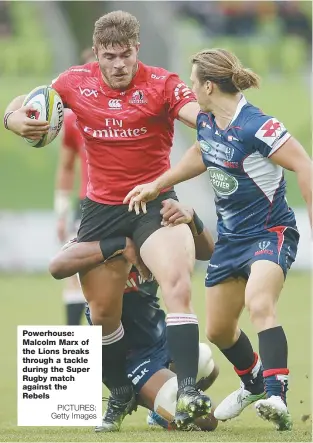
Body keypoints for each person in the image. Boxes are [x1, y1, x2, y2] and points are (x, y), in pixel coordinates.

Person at [3, 10, 209, 430]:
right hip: (101, 209)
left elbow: (197, 117)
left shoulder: (163, 84)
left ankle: (187, 390)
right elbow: (21, 103)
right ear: (96, 52)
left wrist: (208, 123)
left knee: (177, 281)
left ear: (138, 49)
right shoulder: (74, 82)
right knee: (100, 314)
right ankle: (118, 394)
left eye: (126, 55)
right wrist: (12, 119)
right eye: (110, 56)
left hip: (152, 202)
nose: (119, 64)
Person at [124, 48, 312, 431]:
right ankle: (255, 384)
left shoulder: (257, 125)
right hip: (230, 240)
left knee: (259, 302)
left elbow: (304, 164)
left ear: (208, 85)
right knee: (219, 330)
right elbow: (201, 153)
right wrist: (156, 184)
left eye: (193, 81)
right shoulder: (207, 122)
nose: (190, 88)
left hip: (269, 232)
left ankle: (276, 394)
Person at [49, 199, 218, 432]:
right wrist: (119, 244)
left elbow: (208, 251)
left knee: (206, 361)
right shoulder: (96, 237)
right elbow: (57, 266)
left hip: (158, 339)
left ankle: (159, 409)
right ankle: (139, 395)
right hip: (131, 357)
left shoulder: (153, 236)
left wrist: (191, 217)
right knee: (207, 421)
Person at [54, 48, 95, 326]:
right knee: (74, 274)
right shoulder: (72, 121)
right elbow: (66, 167)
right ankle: (76, 358)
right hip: (88, 204)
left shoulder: (132, 114)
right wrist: (61, 213)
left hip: (129, 202)